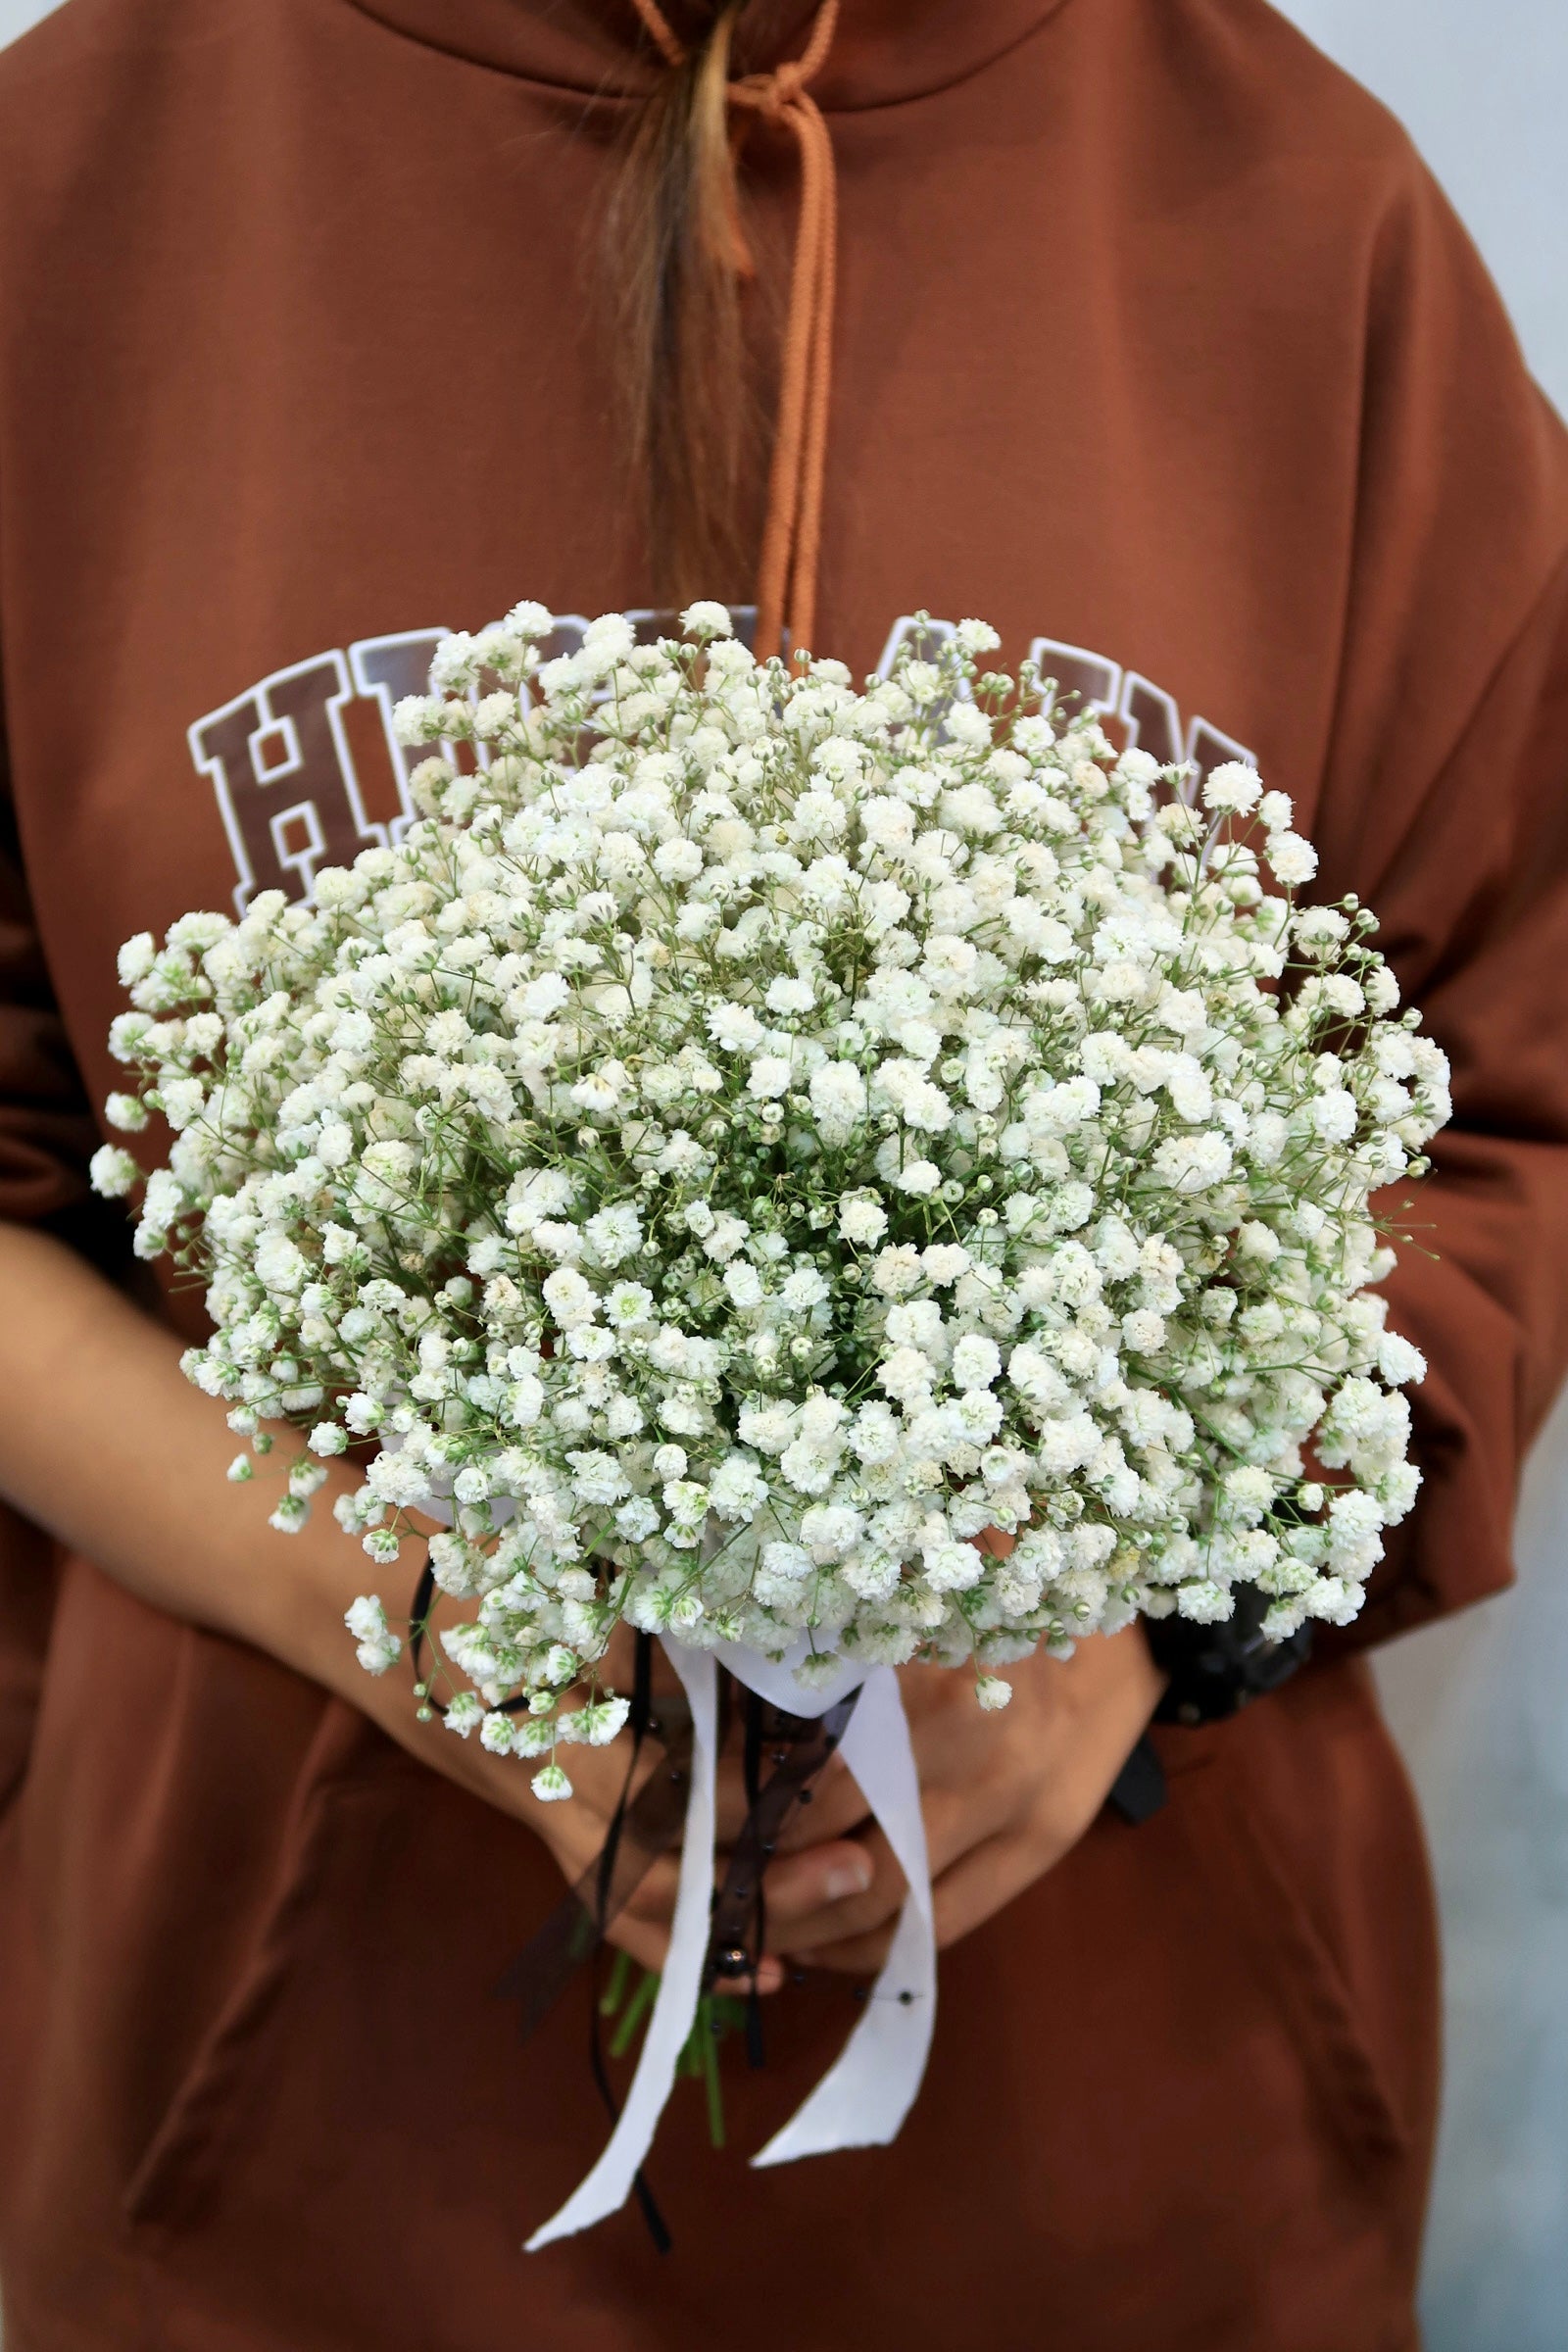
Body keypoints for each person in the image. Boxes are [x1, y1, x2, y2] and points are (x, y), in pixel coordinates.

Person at [0, 0, 1565, 2344]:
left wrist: (1149, 1628)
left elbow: (1509, 1099)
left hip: (1126, 2189)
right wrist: (428, 1626)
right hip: (298, 2187)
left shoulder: (1291, 208)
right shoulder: (80, 184)